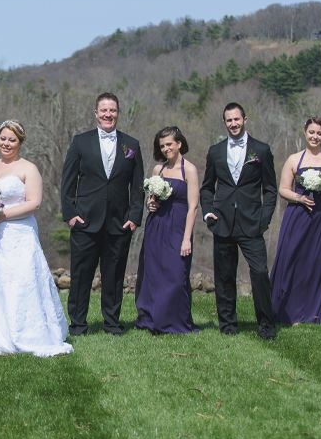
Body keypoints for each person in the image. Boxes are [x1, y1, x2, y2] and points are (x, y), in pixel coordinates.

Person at [0, 120, 73, 356]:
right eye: (3, 138)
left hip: (17, 236)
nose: (6, 143)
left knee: (19, 284)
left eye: (12, 140)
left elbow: (34, 203)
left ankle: (24, 332)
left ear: (20, 142)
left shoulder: (28, 168)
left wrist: (1, 215)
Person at [60, 92, 144, 335]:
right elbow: (67, 182)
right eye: (104, 110)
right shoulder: (80, 142)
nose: (109, 114)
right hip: (85, 221)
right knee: (80, 276)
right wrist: (71, 214)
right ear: (96, 113)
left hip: (119, 223)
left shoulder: (132, 145)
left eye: (113, 111)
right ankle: (77, 324)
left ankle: (112, 322)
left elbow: (137, 186)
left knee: (114, 276)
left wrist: (134, 217)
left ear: (118, 113)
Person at [200, 102, 278, 340]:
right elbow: (206, 188)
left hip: (251, 223)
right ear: (224, 123)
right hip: (222, 222)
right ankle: (228, 325)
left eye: (237, 119)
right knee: (224, 276)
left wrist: (263, 220)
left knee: (260, 273)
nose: (233, 124)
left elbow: (271, 190)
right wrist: (208, 212)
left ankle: (266, 324)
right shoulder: (215, 151)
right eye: (229, 120)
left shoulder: (261, 150)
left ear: (245, 119)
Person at [270, 117, 321, 325]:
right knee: (292, 259)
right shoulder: (294, 159)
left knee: (318, 262)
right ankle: (286, 311)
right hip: (298, 216)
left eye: (319, 133)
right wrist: (299, 197)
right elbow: (283, 189)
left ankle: (314, 313)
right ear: (305, 133)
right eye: (311, 132)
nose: (315, 136)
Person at [135, 126, 200, 334]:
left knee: (175, 273)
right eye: (162, 145)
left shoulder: (189, 170)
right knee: (153, 272)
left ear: (179, 144)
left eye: (169, 144)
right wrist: (150, 204)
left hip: (178, 228)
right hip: (157, 226)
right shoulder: (158, 170)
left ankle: (174, 321)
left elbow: (193, 207)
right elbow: (151, 198)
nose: (165, 148)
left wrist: (187, 239)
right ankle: (151, 318)